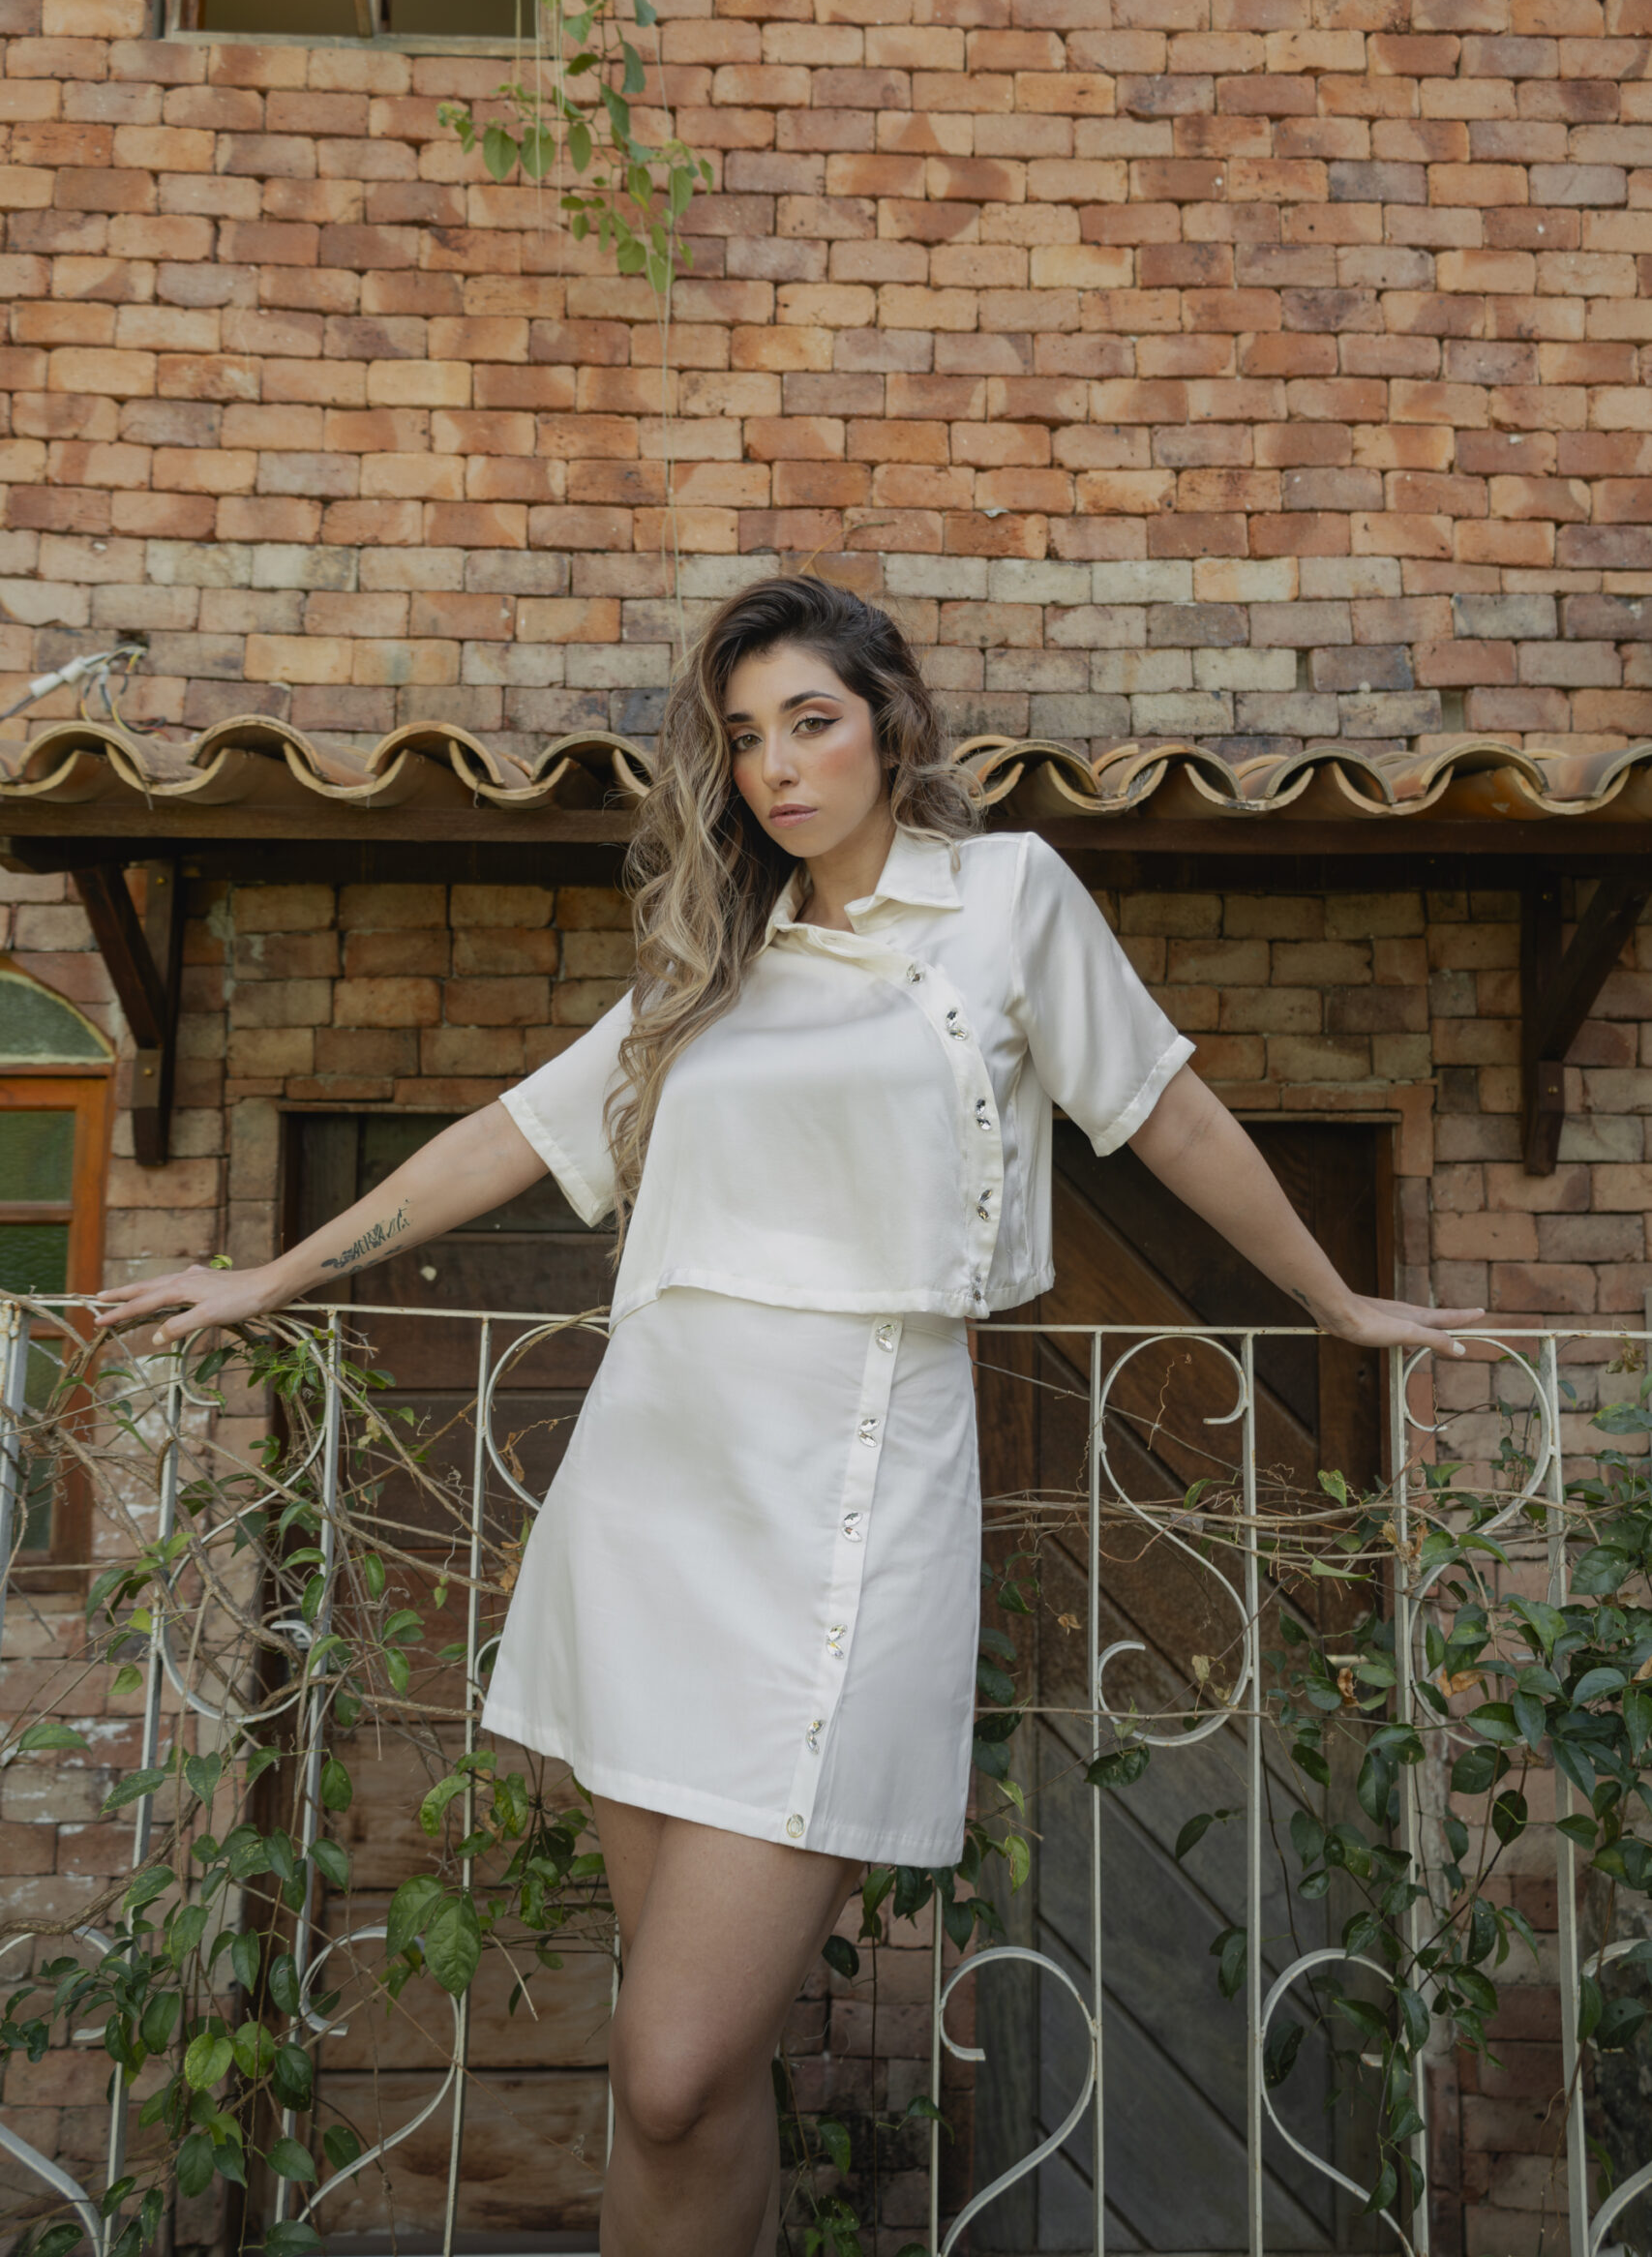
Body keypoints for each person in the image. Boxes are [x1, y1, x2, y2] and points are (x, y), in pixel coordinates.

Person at [94, 574, 1483, 2257]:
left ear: (891, 724)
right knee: (686, 2086)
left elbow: (1164, 1108)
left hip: (852, 1498)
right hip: (651, 1503)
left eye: (809, 722)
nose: (775, 766)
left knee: (672, 2065)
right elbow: (512, 1135)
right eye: (745, 737)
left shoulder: (1006, 898)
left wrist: (1330, 1301)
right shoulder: (718, 967)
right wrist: (274, 1276)